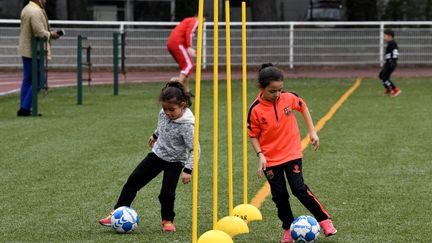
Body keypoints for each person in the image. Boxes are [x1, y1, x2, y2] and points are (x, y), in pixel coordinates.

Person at [247, 64, 337, 243]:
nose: (277, 94)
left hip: (292, 152)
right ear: (261, 88)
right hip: (271, 159)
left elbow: (303, 107)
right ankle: (288, 228)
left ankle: (324, 220)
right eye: (273, 91)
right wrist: (260, 155)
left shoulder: (288, 98)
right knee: (279, 195)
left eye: (280, 90)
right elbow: (253, 136)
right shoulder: (255, 109)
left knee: (298, 188)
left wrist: (312, 131)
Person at [99, 81, 197, 232]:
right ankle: (116, 213)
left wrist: (188, 170)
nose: (168, 113)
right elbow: (162, 125)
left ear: (183, 105)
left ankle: (167, 221)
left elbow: (195, 149)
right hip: (157, 155)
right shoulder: (163, 113)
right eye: (165, 109)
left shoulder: (187, 126)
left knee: (166, 194)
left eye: (172, 110)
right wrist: (155, 135)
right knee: (132, 182)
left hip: (175, 162)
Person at [17, 0, 60, 116]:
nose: (45, 0)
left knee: (27, 79)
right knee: (40, 79)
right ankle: (25, 108)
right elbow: (39, 32)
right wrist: (52, 35)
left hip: (26, 49)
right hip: (34, 51)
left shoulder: (27, 8)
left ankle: (23, 107)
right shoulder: (35, 11)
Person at [167, 16, 205, 94]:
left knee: (184, 67)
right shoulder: (195, 21)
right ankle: (175, 87)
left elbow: (186, 32)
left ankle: (186, 91)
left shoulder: (187, 20)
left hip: (172, 43)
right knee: (189, 65)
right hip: (177, 43)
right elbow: (189, 32)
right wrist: (189, 47)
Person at [379, 29, 401, 97]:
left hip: (391, 63)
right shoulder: (390, 43)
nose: (384, 37)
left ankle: (395, 90)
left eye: (385, 36)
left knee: (385, 77)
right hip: (388, 62)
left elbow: (395, 52)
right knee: (381, 75)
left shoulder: (392, 43)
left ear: (390, 36)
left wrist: (393, 61)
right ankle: (388, 89)